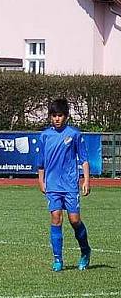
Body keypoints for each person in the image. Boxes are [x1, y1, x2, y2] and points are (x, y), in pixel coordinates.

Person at [36, 98, 91, 271]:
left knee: (74, 220)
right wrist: (41, 180)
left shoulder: (74, 134)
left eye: (60, 115)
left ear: (66, 116)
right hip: (52, 185)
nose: (57, 119)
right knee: (56, 217)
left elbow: (84, 159)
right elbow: (40, 162)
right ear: (50, 117)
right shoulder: (45, 136)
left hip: (69, 185)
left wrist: (86, 180)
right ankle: (58, 259)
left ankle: (85, 251)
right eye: (54, 116)